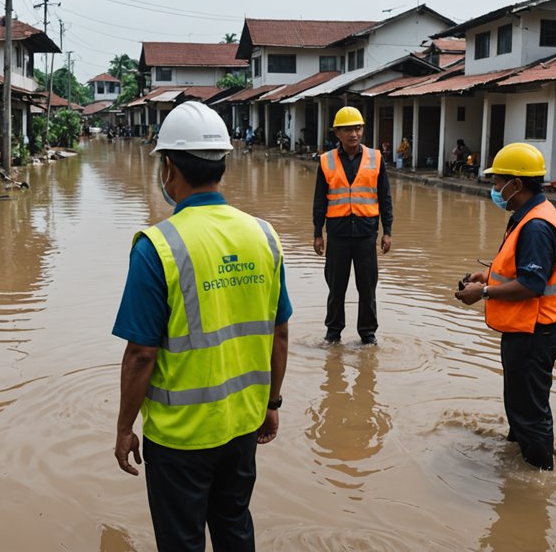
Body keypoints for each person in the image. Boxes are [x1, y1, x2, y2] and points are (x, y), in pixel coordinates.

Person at [113, 101, 292, 551]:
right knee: (235, 529)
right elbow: (280, 331)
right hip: (242, 426)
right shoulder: (264, 236)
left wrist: (123, 428)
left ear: (169, 166)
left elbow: (141, 354)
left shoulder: (157, 246)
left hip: (180, 438)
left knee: (182, 542)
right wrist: (272, 403)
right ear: (223, 166)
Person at [454, 142, 556, 470]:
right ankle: (517, 458)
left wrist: (484, 292)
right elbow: (522, 270)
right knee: (520, 405)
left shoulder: (536, 226)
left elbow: (532, 285)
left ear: (516, 185)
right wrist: (487, 275)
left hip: (534, 332)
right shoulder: (528, 215)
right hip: (526, 329)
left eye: (498, 182)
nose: (494, 189)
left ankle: (537, 481)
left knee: (531, 413)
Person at [312, 106, 393, 345]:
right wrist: (318, 233)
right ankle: (333, 333)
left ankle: (368, 335)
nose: (353, 134)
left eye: (357, 128)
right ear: (337, 133)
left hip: (366, 235)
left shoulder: (376, 158)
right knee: (336, 288)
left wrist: (387, 231)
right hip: (337, 235)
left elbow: (385, 197)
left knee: (367, 288)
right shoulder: (326, 161)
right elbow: (319, 200)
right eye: (347, 129)